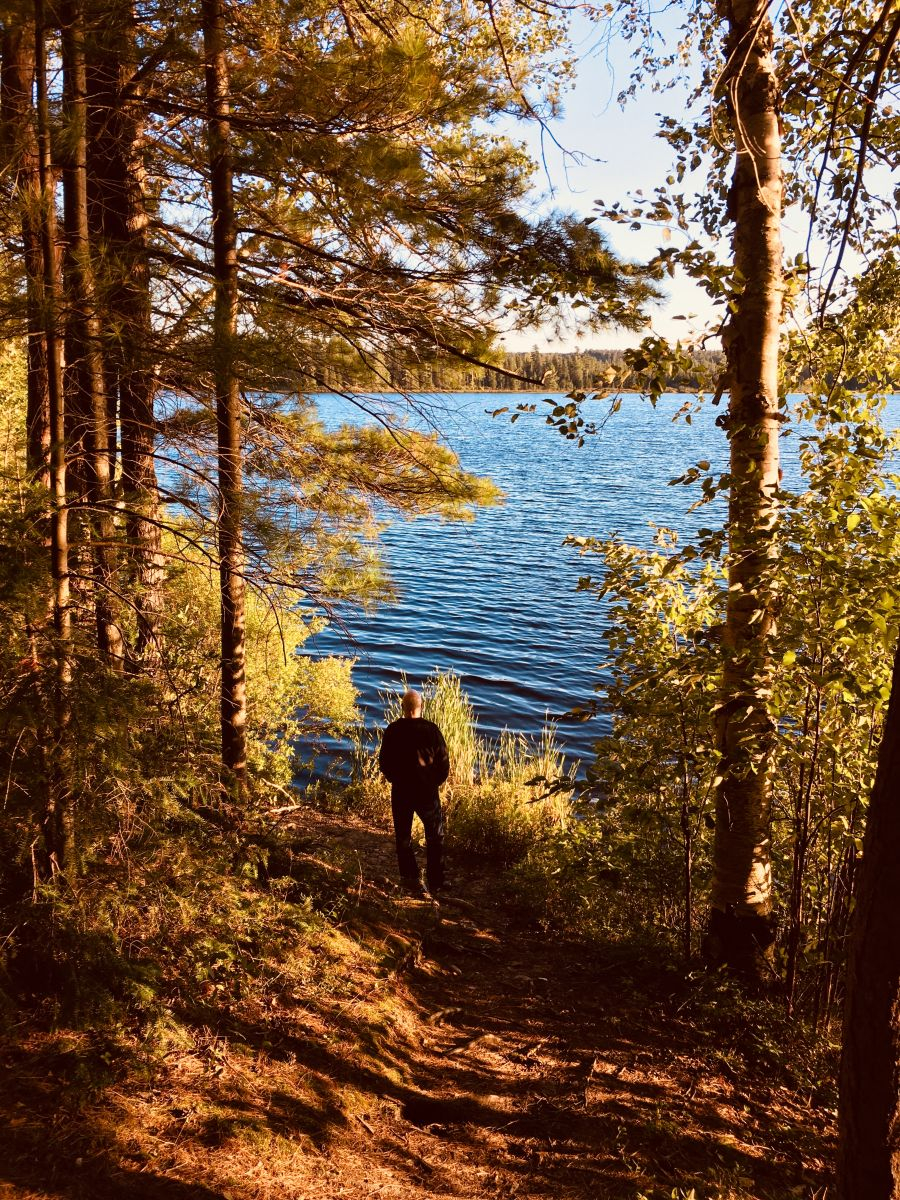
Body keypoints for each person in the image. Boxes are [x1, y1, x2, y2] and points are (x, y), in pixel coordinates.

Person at [378, 689, 450, 897]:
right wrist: (432, 782)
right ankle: (436, 881)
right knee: (435, 836)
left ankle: (409, 877)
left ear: (403, 708)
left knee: (403, 836)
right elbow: (443, 764)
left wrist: (395, 779)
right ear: (420, 708)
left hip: (401, 791)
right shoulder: (432, 730)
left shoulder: (393, 730)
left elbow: (385, 762)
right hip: (426, 792)